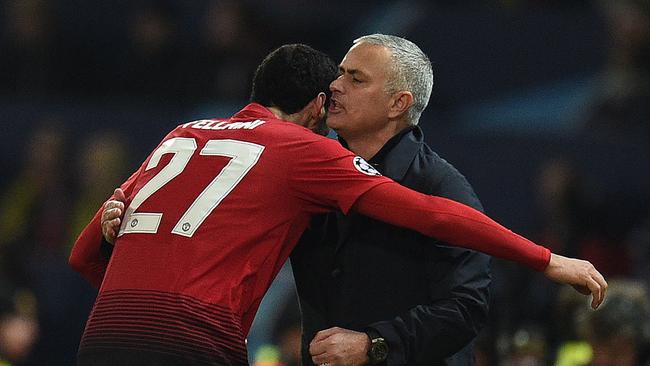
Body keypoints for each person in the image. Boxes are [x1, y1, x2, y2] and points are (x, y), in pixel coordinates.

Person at [73, 43, 606, 366]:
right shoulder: (305, 152)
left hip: (101, 337)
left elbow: (84, 256)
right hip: (193, 343)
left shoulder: (180, 132)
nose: (339, 95)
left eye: (356, 78)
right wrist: (548, 259)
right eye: (336, 84)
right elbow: (433, 216)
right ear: (313, 108)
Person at [290, 34, 489, 366]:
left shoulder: (442, 188)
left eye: (356, 79)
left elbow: (465, 308)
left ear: (398, 103)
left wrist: (374, 344)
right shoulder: (309, 177)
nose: (335, 85)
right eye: (340, 73)